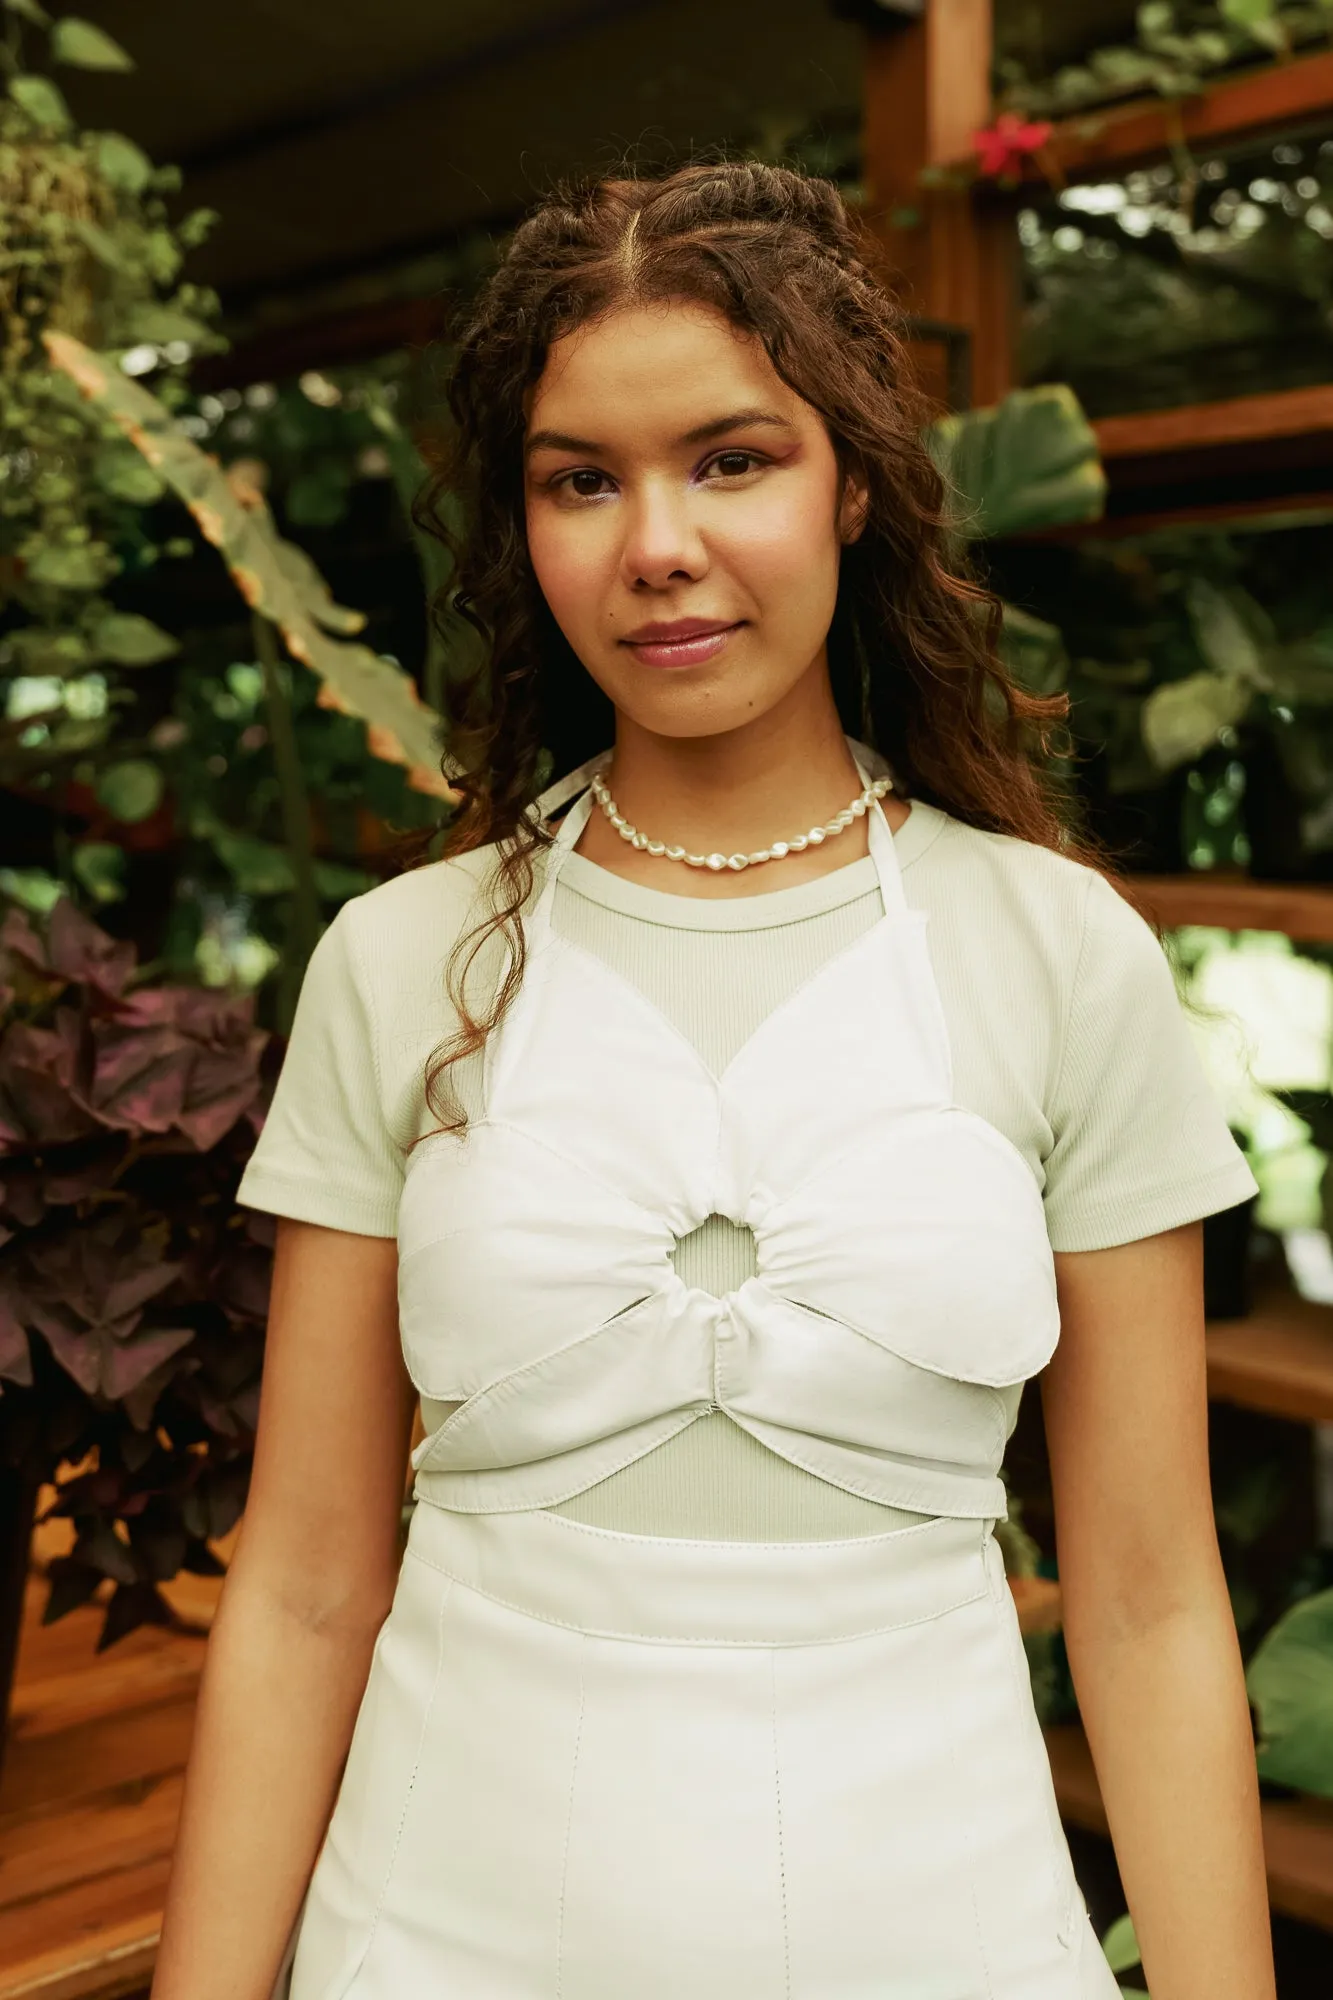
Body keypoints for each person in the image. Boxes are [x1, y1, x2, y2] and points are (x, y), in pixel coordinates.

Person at [152, 161, 1277, 2000]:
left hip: (945, 1938)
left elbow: (1150, 1599)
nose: (654, 542)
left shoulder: (1062, 956)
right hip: (439, 1941)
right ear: (524, 530)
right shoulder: (403, 963)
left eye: (731, 459)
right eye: (579, 479)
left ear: (856, 483)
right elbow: (299, 1585)